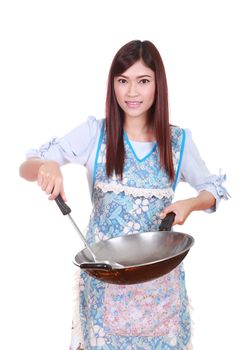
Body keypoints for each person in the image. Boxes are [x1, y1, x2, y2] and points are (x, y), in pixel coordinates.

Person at [19, 40, 229, 350]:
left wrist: (192, 203)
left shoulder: (177, 141)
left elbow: (212, 188)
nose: (131, 92)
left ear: (158, 85)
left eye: (143, 81)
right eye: (122, 81)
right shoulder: (96, 134)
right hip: (105, 286)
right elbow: (28, 165)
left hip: (160, 291)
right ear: (113, 84)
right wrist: (48, 167)